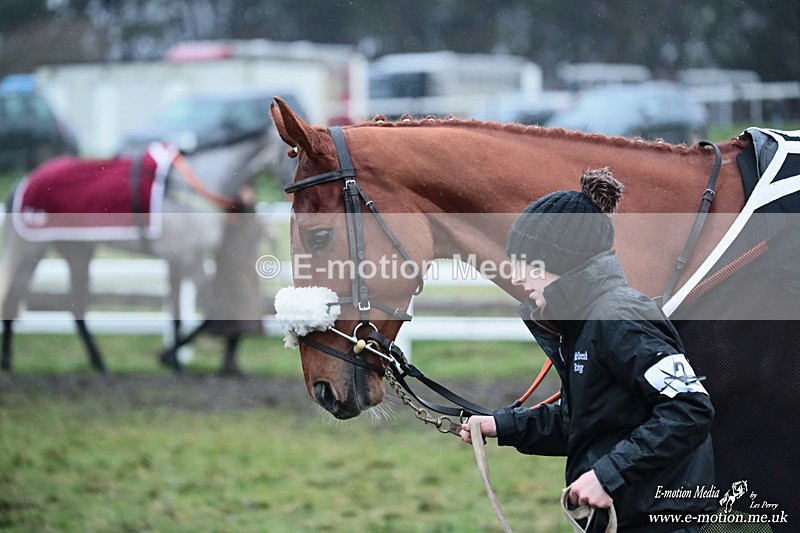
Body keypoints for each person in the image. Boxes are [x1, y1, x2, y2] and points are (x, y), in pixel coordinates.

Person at [460, 168, 715, 532]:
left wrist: (608, 476)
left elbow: (690, 408)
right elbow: (586, 423)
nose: (516, 277)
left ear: (561, 263)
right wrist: (502, 425)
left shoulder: (619, 318)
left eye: (527, 263)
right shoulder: (585, 324)